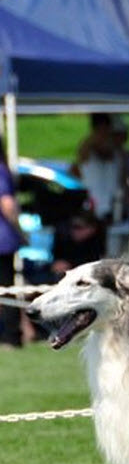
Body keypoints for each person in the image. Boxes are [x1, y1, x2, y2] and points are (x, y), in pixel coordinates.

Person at [71, 113, 121, 224]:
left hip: (114, 206)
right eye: (103, 130)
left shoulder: (115, 152)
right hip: (94, 210)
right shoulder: (87, 148)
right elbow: (73, 170)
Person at [0, 136, 25, 348]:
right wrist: (21, 231)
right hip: (3, 240)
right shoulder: (1, 170)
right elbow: (7, 203)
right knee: (7, 289)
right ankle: (11, 336)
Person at [51, 209, 105, 279]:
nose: (74, 231)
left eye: (78, 227)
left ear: (92, 229)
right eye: (72, 227)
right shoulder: (65, 242)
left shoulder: (97, 245)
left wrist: (70, 265)